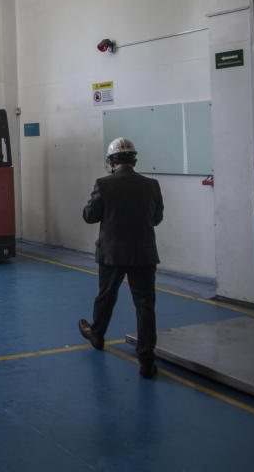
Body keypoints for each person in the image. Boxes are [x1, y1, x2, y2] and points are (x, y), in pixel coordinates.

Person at [78, 137, 164, 379]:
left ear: (110, 161)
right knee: (145, 306)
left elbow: (89, 216)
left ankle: (97, 335)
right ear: (134, 160)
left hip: (112, 253)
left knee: (106, 297)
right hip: (144, 253)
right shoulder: (152, 185)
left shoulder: (103, 185)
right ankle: (146, 362)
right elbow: (156, 218)